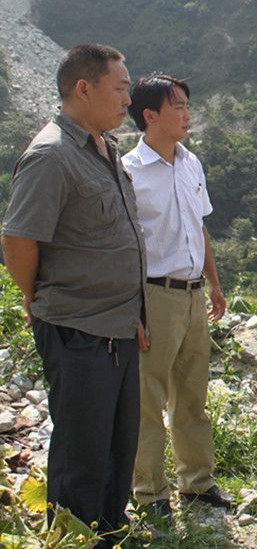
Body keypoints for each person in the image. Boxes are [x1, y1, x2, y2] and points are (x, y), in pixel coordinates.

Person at [1, 43, 144, 543]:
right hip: (77, 328)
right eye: (120, 88)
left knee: (117, 445)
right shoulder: (51, 155)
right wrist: (37, 296)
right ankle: (71, 538)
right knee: (81, 453)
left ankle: (109, 530)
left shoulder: (105, 148)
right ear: (83, 88)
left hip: (118, 325)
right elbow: (18, 240)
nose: (128, 99)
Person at [122, 73, 233, 520]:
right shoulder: (129, 171)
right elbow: (123, 244)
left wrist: (214, 283)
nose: (188, 114)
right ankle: (149, 493)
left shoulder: (191, 163)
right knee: (148, 399)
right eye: (179, 106)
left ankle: (197, 483)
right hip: (153, 294)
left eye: (188, 105)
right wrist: (132, 307)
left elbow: (198, 226)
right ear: (150, 115)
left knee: (192, 395)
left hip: (192, 294)